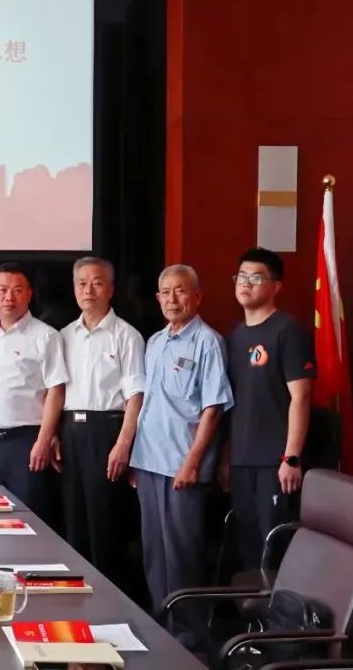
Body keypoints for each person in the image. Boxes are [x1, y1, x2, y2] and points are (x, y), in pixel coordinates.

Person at [131, 264, 233, 646]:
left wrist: (192, 462)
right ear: (158, 298)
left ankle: (188, 638)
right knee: (154, 552)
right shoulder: (155, 342)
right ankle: (160, 628)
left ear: (197, 296)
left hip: (181, 465)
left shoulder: (208, 342)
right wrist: (136, 458)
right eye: (166, 292)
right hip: (149, 462)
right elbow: (148, 405)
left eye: (181, 291)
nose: (173, 299)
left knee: (182, 554)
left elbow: (213, 409)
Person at [222, 247, 314, 570]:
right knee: (248, 550)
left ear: (276, 286)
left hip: (275, 464)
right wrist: (226, 458)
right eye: (241, 276)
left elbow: (301, 397)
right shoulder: (234, 336)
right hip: (241, 462)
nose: (246, 283)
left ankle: (280, 606)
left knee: (274, 551)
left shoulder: (287, 330)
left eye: (256, 277)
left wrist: (292, 458)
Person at [60, 257, 145, 592]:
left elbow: (136, 396)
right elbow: (55, 391)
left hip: (107, 432)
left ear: (110, 289)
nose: (88, 290)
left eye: (96, 283)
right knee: (74, 522)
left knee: (105, 523)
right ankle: (76, 597)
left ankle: (111, 600)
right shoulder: (64, 336)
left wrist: (123, 444)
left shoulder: (126, 335)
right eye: (82, 283)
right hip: (70, 432)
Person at [0, 263, 68, 526]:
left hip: (27, 440)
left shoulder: (45, 336)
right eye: (3, 290)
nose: (9, 297)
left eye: (17, 290)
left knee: (28, 520)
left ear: (29, 294)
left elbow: (56, 391)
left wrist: (44, 439)